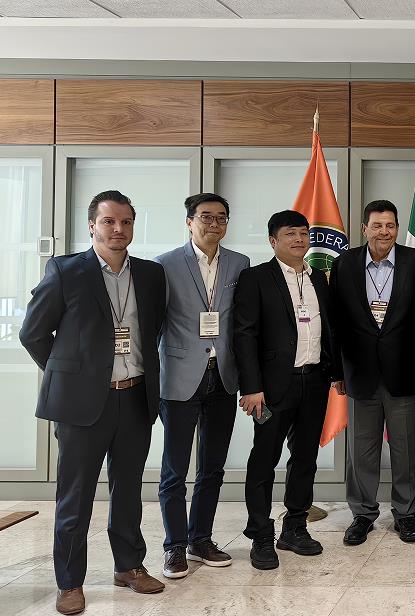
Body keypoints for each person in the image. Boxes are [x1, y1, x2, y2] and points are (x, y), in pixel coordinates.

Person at [19, 190, 167, 615]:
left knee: (128, 491)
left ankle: (129, 566)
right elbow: (33, 333)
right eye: (108, 221)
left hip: (135, 397)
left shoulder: (151, 274)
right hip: (81, 405)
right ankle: (70, 582)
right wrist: (72, 375)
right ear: (91, 225)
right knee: (76, 495)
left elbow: (153, 330)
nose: (118, 229)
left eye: (125, 222)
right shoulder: (66, 271)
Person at [233, 210, 338, 570]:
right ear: (273, 240)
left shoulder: (319, 278)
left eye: (303, 233)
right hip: (272, 387)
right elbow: (244, 334)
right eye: (290, 234)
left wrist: (334, 372)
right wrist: (251, 387)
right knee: (264, 459)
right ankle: (261, 534)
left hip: (314, 381)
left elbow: (329, 329)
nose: (298, 240)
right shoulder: (256, 278)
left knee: (305, 457)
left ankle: (294, 527)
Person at [156, 193, 250, 578]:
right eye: (206, 217)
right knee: (175, 470)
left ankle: (200, 538)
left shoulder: (239, 263)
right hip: (179, 377)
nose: (214, 224)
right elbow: (154, 324)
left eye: (221, 217)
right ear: (189, 222)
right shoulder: (164, 265)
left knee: (212, 467)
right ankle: (174, 546)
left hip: (223, 377)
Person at [329, 200, 415, 545]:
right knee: (361, 451)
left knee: (406, 450)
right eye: (377, 225)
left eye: (390, 225)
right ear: (364, 229)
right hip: (360, 373)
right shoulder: (344, 264)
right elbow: (335, 322)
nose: (384, 232)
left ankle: (405, 514)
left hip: (406, 373)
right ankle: (362, 514)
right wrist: (336, 371)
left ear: (397, 228)